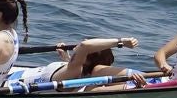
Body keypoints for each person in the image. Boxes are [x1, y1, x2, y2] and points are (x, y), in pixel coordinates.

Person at [8, 37, 144, 89]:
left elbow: (85, 46)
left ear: (87, 58)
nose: (77, 46)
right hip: (15, 74)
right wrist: (67, 59)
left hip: (10, 83)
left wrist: (121, 42)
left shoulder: (74, 72)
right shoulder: (74, 70)